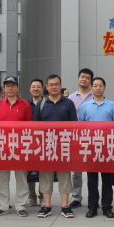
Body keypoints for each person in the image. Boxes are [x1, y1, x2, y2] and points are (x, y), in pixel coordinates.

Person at [34, 74, 78, 218]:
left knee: (64, 176)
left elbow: (74, 125)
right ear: (46, 87)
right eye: (51, 84)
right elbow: (35, 126)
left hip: (63, 145)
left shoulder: (69, 103)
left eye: (56, 84)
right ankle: (47, 205)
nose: (54, 87)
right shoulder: (41, 104)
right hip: (45, 146)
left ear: (61, 86)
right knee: (45, 176)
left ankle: (65, 206)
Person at [79, 77, 114, 218]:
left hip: (107, 147)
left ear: (105, 88)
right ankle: (92, 206)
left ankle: (107, 206)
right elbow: (81, 126)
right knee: (92, 179)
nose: (98, 88)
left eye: (100, 86)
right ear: (91, 88)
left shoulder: (112, 105)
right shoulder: (85, 106)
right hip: (91, 147)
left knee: (107, 179)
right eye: (95, 86)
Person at [0, 76, 33, 217]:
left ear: (18, 88)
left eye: (13, 85)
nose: (10, 88)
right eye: (7, 85)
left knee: (21, 176)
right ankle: (3, 205)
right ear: (4, 89)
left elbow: (29, 126)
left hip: (20, 146)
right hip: (3, 146)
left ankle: (21, 205)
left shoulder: (24, 105)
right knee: (2, 177)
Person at [68, 68, 94, 210]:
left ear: (91, 81)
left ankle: (93, 198)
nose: (84, 79)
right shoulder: (71, 98)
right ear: (78, 79)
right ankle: (76, 197)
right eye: (82, 77)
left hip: (92, 138)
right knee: (76, 171)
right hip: (76, 138)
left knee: (92, 170)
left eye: (87, 77)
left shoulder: (95, 96)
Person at [25, 78, 46, 207]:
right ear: (30, 89)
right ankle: (31, 195)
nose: (35, 89)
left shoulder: (47, 103)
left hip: (43, 141)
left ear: (42, 89)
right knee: (29, 168)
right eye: (33, 87)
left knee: (43, 169)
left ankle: (43, 195)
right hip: (29, 141)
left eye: (38, 87)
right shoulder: (25, 104)